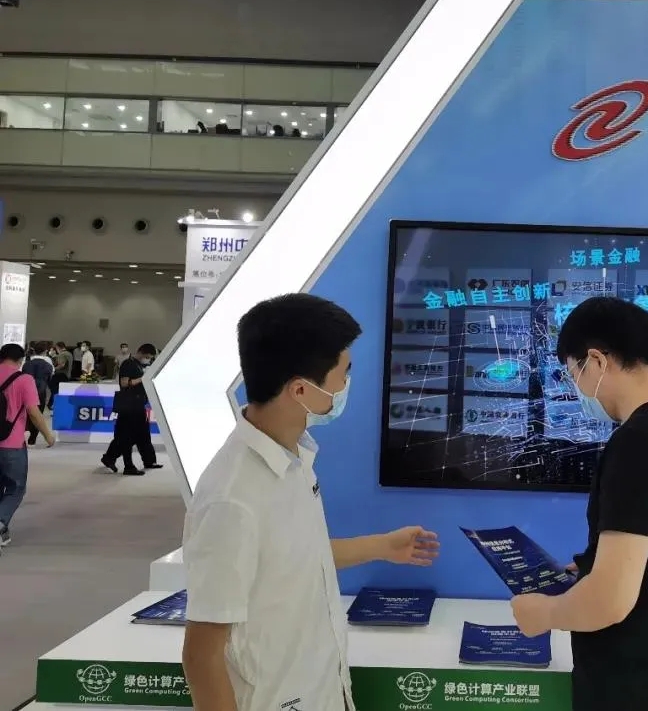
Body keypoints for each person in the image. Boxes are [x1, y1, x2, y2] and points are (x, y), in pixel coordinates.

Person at [181, 293, 439, 711]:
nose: (346, 386)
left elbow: (293, 558)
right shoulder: (232, 499)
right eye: (343, 374)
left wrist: (381, 546)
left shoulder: (293, 458)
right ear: (300, 389)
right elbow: (201, 655)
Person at [510, 297, 648, 711]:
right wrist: (605, 562)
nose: (577, 390)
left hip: (632, 691)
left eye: (573, 374)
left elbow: (609, 601)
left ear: (597, 361)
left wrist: (544, 613)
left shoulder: (637, 441)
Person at [0, 343, 55, 549]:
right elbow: (33, 412)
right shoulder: (24, 379)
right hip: (11, 443)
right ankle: (0, 523)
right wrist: (48, 435)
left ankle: (3, 531)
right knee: (16, 488)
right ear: (21, 360)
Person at [101, 343, 161, 475]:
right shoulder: (128, 364)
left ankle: (149, 460)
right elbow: (125, 383)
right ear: (141, 352)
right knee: (126, 436)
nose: (148, 359)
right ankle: (125, 464)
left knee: (143, 434)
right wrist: (143, 378)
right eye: (147, 357)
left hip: (138, 404)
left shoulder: (139, 365)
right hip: (129, 405)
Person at [22, 341, 54, 446]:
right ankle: (33, 438)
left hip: (26, 391)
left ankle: (21, 434)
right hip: (41, 391)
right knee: (38, 413)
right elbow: (50, 377)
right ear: (45, 351)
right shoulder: (48, 364)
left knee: (25, 413)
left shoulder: (26, 363)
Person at [49, 341, 73, 410]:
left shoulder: (62, 354)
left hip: (60, 375)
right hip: (67, 375)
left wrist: (53, 369)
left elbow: (62, 365)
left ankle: (53, 404)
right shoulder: (69, 354)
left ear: (58, 347)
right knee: (62, 391)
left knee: (55, 390)